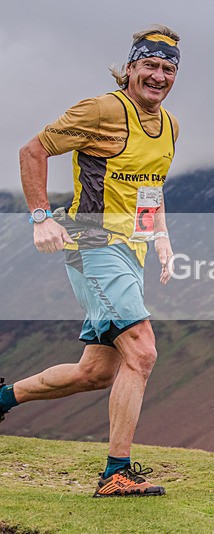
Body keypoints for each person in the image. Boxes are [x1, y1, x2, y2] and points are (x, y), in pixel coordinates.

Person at [0, 25, 182, 497]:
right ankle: (115, 474)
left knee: (96, 372)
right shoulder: (102, 110)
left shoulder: (170, 125)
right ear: (131, 68)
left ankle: (0, 399)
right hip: (92, 243)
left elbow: (150, 186)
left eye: (168, 68)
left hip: (131, 251)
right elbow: (32, 150)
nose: (158, 76)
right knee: (142, 351)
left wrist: (160, 236)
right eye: (149, 66)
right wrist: (41, 218)